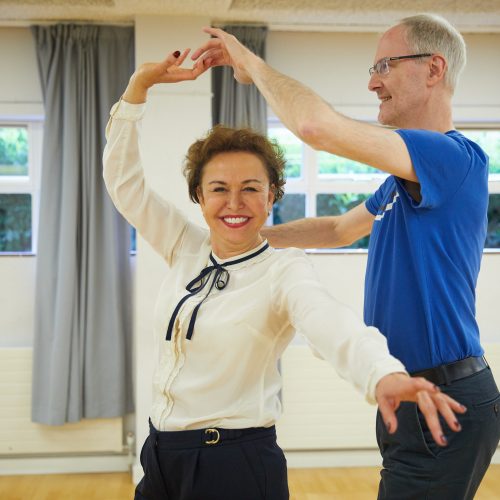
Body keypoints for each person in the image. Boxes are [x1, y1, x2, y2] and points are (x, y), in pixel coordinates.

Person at [103, 48, 466, 500]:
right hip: (160, 457)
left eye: (251, 189)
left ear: (272, 195)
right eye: (219, 189)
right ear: (198, 195)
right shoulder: (185, 245)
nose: (234, 203)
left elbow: (328, 320)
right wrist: (138, 88)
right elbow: (124, 184)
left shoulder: (283, 269)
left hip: (234, 466)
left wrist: (381, 374)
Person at [192, 12, 500, 500]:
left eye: (385, 65)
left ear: (434, 69)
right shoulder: (402, 181)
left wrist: (252, 63)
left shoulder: (453, 158)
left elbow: (316, 126)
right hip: (410, 393)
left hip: (445, 398)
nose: (373, 82)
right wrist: (245, 237)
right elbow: (337, 228)